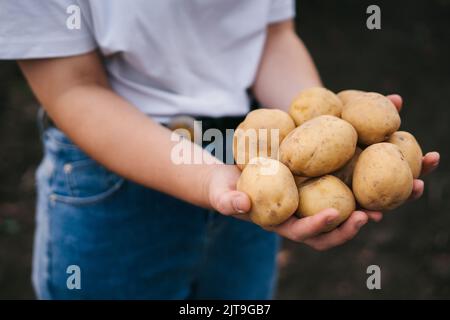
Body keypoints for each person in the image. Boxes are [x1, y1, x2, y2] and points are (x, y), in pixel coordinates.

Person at [0, 0, 439, 299]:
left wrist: (321, 125)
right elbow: (74, 88)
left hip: (250, 160)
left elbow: (271, 37)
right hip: (114, 178)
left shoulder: (266, 171)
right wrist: (208, 177)